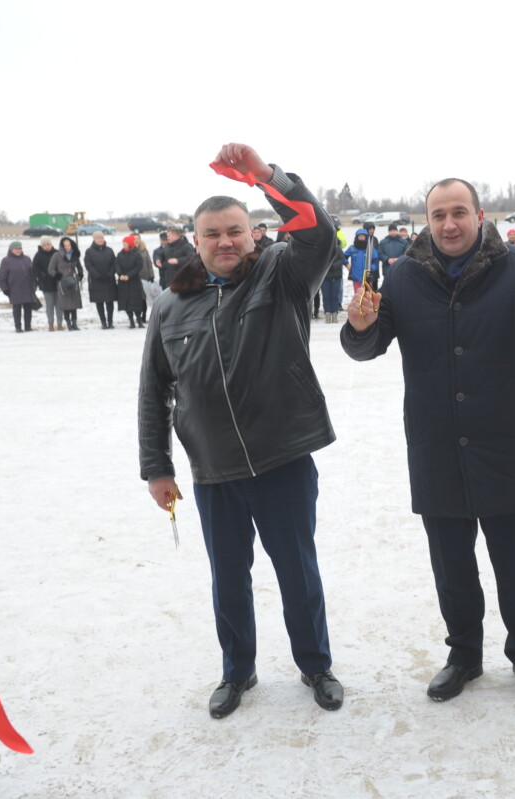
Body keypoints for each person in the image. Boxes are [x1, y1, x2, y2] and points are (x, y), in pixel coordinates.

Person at [341, 178, 515, 706]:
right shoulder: (402, 277)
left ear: (479, 216)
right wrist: (358, 328)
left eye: (459, 213)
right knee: (451, 566)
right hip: (436, 445)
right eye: (438, 214)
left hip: (505, 441)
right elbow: (368, 345)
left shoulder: (514, 266)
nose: (449, 224)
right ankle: (464, 655)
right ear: (428, 220)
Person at [138, 142, 344, 718]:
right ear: (193, 240)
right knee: (229, 578)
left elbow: (317, 232)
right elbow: (153, 390)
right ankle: (237, 672)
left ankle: (315, 665)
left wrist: (265, 176)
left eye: (235, 230)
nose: (225, 241)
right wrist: (155, 466)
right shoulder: (171, 305)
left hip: (282, 459)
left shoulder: (281, 274)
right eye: (212, 234)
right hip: (214, 469)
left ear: (254, 234)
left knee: (297, 571)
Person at [0, 241, 37, 332]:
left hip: (27, 287)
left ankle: (28, 327)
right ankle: (18, 327)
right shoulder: (6, 261)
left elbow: (32, 273)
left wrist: (34, 284)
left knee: (28, 308)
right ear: (11, 250)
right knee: (17, 309)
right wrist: (5, 288)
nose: (18, 251)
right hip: (14, 289)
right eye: (16, 249)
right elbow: (1, 276)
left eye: (19, 249)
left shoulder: (27, 259)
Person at [49, 236, 84, 331]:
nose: (67, 247)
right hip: (62, 282)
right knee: (66, 304)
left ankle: (74, 323)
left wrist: (80, 274)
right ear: (62, 246)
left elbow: (79, 267)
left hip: (73, 281)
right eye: (65, 245)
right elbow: (50, 269)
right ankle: (68, 323)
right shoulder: (57, 255)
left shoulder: (75, 255)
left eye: (68, 245)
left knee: (74, 303)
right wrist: (57, 275)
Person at [84, 231, 117, 329]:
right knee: (100, 302)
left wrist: (110, 273)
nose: (100, 240)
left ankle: (110, 322)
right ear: (94, 240)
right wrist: (97, 275)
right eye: (98, 238)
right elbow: (88, 265)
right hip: (96, 281)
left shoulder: (109, 250)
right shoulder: (89, 251)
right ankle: (103, 322)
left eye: (101, 238)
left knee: (109, 302)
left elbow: (114, 263)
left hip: (109, 279)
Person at [115, 235, 146, 328]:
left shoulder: (136, 254)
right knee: (126, 302)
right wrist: (120, 275)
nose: (124, 245)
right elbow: (116, 265)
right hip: (123, 282)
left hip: (134, 281)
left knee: (136, 302)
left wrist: (129, 275)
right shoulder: (120, 254)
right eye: (123, 243)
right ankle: (131, 321)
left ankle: (139, 320)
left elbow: (139, 266)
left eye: (125, 243)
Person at [33, 236, 61, 331]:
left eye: (48, 244)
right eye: (44, 245)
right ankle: (51, 324)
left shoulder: (57, 253)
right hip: (46, 284)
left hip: (58, 283)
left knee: (59, 305)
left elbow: (62, 265)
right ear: (42, 246)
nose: (47, 246)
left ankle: (60, 324)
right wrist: (43, 276)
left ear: (51, 244)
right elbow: (35, 269)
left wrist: (58, 274)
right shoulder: (38, 255)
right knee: (50, 305)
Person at [343, 229, 378, 294]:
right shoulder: (352, 248)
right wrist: (347, 264)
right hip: (356, 276)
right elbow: (343, 256)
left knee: (368, 295)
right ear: (357, 237)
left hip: (368, 276)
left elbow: (376, 261)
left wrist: (371, 268)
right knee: (358, 295)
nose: (361, 238)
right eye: (360, 236)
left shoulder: (370, 249)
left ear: (366, 237)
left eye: (363, 236)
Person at [134, 236, 159, 323]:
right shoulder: (131, 250)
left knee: (144, 298)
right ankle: (137, 316)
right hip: (134, 277)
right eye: (134, 239)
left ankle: (144, 315)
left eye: (138, 238)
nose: (136, 240)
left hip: (145, 276)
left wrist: (151, 275)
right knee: (136, 298)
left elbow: (149, 263)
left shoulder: (144, 250)